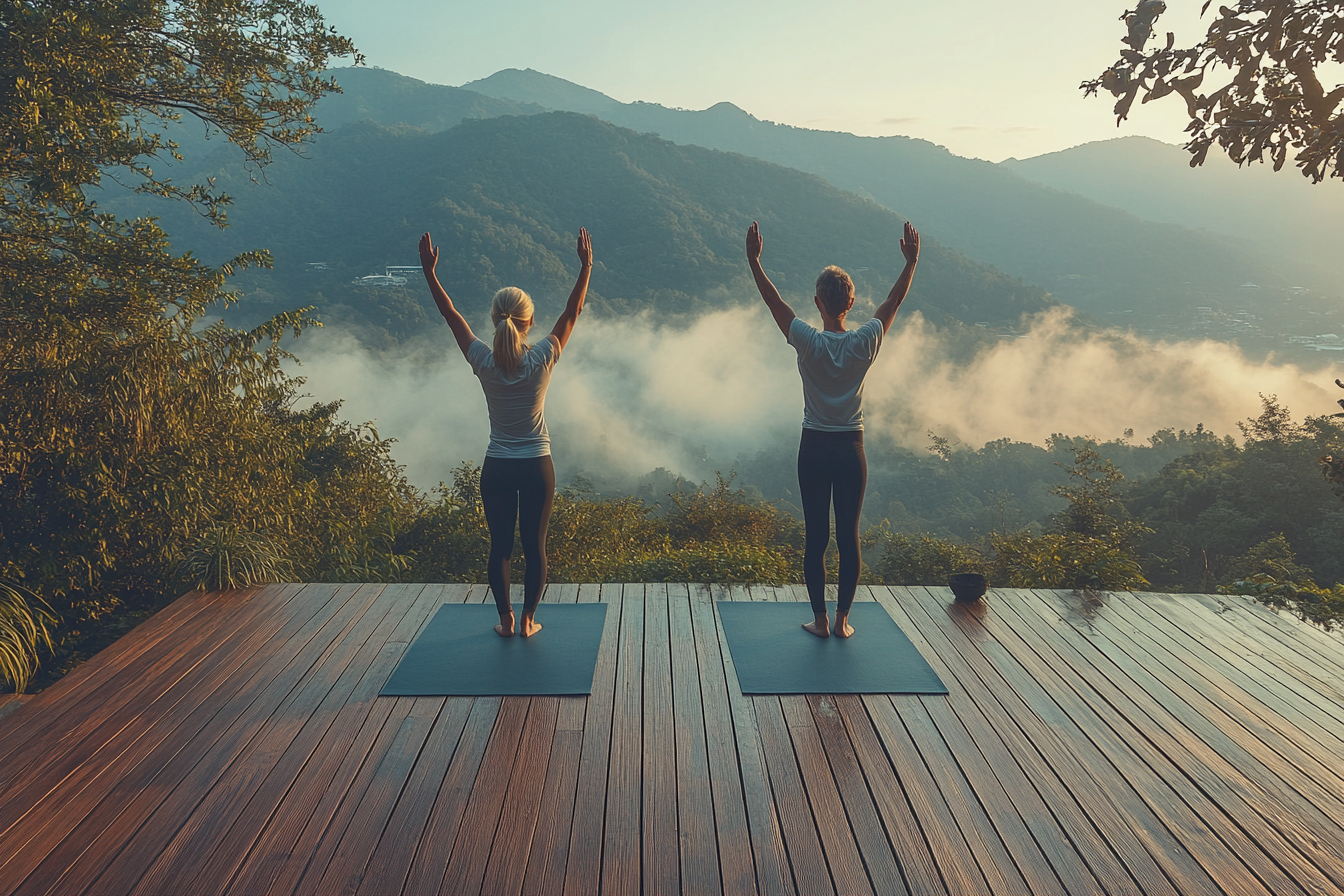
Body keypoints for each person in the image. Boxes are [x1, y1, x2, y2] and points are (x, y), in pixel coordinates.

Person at [745, 219, 919, 637]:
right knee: (849, 535)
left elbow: (775, 304)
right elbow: (893, 302)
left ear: (818, 303)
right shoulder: (865, 341)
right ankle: (843, 622)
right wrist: (910, 263)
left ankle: (820, 620)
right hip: (851, 450)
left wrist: (754, 261)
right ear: (851, 302)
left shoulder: (809, 341)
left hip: (814, 448)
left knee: (816, 535)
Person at [418, 228, 593, 637]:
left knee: (500, 546)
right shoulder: (542, 357)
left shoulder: (483, 359)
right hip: (536, 466)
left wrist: (430, 273)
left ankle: (505, 620)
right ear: (529, 320)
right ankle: (529, 620)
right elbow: (573, 312)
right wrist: (585, 267)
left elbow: (450, 315)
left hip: (497, 466)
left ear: (495, 319)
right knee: (535, 547)